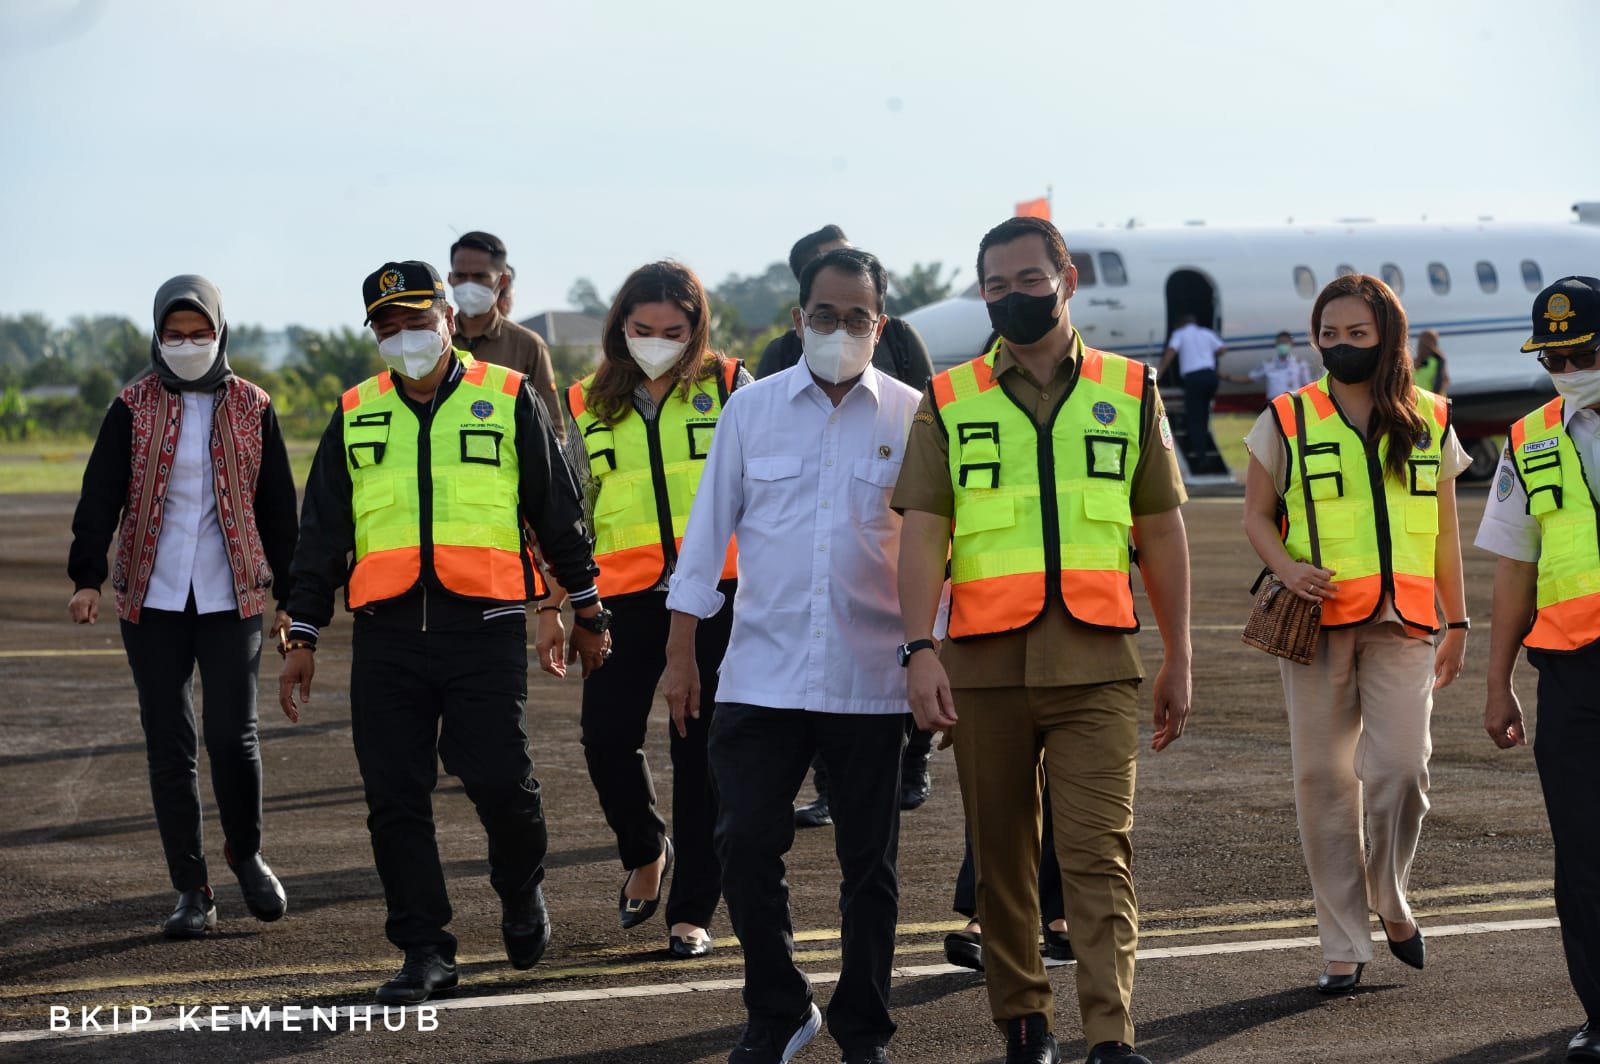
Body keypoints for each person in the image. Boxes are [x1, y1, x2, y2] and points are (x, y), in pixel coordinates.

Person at [896, 216, 1192, 1064]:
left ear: (1065, 278)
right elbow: (924, 531)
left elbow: (1161, 530)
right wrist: (919, 650)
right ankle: (1024, 1024)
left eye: (1030, 280)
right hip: (983, 665)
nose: (1013, 297)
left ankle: (1111, 1034)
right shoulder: (950, 398)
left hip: (1099, 662)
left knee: (1099, 857)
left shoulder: (1129, 389)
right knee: (1002, 863)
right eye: (996, 285)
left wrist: (1180, 654)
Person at [277, 260, 611, 1004]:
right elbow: (321, 535)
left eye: (418, 323)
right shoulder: (356, 410)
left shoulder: (508, 396)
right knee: (395, 797)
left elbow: (558, 512)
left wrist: (587, 609)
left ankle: (521, 890)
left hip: (482, 628)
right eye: (388, 329)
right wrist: (302, 635)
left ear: (449, 321)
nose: (405, 339)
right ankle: (425, 947)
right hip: (387, 633)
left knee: (502, 784)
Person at [662, 247, 918, 1064]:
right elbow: (705, 540)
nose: (837, 329)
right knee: (742, 844)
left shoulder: (914, 416)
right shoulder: (752, 410)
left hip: (872, 676)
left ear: (878, 326)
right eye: (823, 314)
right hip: (760, 674)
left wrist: (930, 657)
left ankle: (864, 1029)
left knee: (867, 868)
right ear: (798, 316)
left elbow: (934, 553)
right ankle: (778, 1010)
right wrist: (681, 653)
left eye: (855, 318)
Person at [1241, 273, 1469, 997]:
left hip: (1405, 622)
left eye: (1357, 335)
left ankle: (1389, 895)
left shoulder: (1431, 418)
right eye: (1329, 335)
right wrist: (1286, 567)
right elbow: (1255, 516)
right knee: (1323, 784)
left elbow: (1445, 532)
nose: (1340, 346)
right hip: (1316, 624)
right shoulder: (1285, 417)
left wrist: (1459, 620)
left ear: (1388, 338)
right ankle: (1342, 941)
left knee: (1403, 768)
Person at [67, 274, 298, 938]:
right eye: (176, 335)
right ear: (157, 337)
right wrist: (87, 577)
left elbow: (278, 510)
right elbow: (99, 496)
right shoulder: (131, 406)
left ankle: (246, 853)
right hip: (154, 598)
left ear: (221, 332)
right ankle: (191, 889)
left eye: (200, 334)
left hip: (233, 596)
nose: (189, 345)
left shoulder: (254, 406)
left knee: (234, 737)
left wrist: (292, 599)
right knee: (171, 746)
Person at [563, 260, 748, 960]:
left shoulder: (733, 387)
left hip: (715, 599)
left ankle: (693, 910)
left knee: (699, 754)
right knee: (605, 737)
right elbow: (571, 511)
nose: (658, 341)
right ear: (620, 327)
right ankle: (646, 847)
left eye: (674, 330)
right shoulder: (584, 401)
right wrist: (565, 598)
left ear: (697, 330)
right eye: (643, 329)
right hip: (623, 597)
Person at [756, 224, 937, 829]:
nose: (840, 326)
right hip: (811, 536)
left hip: (884, 512)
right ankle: (828, 788)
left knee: (901, 657)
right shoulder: (782, 355)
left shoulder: (902, 341)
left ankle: (913, 763)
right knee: (816, 679)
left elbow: (931, 413)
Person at [1477, 276, 1600, 1062]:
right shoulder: (1530, 440)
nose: (1566, 365)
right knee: (1584, 854)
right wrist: (1497, 681)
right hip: (1573, 673)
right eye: (1553, 355)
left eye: (1580, 351)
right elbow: (1515, 569)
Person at [447, 231, 565, 437]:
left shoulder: (527, 345)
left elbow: (552, 428)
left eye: (479, 276)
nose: (468, 284)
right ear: (449, 279)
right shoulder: (437, 343)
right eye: (460, 276)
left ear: (502, 281)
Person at [1156, 314, 1228, 474]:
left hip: (1194, 379)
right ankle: (1204, 446)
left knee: (1194, 419)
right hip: (1210, 377)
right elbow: (1222, 349)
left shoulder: (1179, 334)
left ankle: (1201, 459)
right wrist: (1207, 355)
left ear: (1181, 324)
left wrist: (1159, 372)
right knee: (1202, 415)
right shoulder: (1206, 333)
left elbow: (1171, 350)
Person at [1224, 330, 1313, 402]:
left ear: (1291, 344)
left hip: (1292, 402)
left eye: (1285, 342)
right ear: (1276, 344)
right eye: (1280, 343)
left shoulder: (1300, 363)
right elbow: (1250, 378)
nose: (1282, 345)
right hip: (1274, 403)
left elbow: (1307, 386)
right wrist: (1227, 377)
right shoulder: (1268, 364)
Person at [1413, 328, 1450, 395]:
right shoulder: (1438, 360)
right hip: (1435, 399)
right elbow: (1445, 380)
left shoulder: (1413, 362)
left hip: (1418, 399)